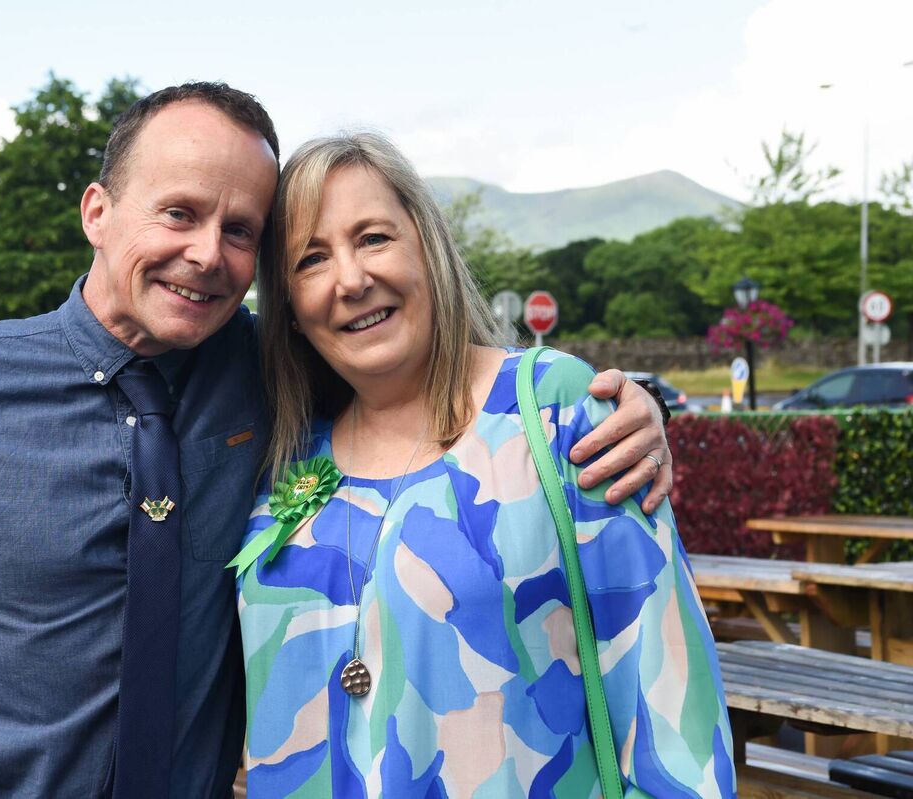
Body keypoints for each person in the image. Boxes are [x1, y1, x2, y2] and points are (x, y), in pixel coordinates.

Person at [0, 82, 670, 797]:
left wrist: (623, 406)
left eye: (242, 230)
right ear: (98, 212)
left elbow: (425, 370)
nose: (208, 253)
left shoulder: (280, 371)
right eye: (179, 213)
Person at [231, 133, 733, 796]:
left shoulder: (552, 411)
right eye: (311, 259)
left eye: (374, 238)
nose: (351, 280)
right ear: (288, 306)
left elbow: (670, 705)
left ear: (429, 248)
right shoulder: (279, 456)